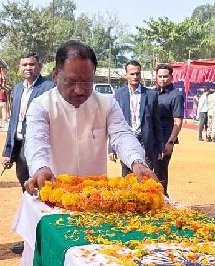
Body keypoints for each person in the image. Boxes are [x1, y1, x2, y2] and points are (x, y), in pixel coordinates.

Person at [23, 41, 156, 196]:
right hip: (54, 192)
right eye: (71, 82)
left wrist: (137, 162)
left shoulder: (107, 103)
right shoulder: (41, 106)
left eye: (87, 82)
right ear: (55, 75)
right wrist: (40, 168)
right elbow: (36, 141)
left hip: (97, 197)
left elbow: (122, 135)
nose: (79, 90)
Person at [2, 52, 55, 194]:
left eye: (32, 64)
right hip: (19, 147)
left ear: (40, 66)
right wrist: (8, 151)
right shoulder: (18, 88)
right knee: (24, 182)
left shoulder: (49, 87)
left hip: (38, 145)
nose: (28, 67)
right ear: (19, 67)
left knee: (41, 185)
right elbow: (14, 121)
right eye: (24, 65)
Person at [109, 60, 163, 176]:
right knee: (127, 177)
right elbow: (113, 123)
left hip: (146, 143)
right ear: (126, 75)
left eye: (138, 73)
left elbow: (156, 123)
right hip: (125, 140)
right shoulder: (118, 94)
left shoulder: (151, 95)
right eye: (132, 74)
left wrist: (160, 147)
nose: (135, 76)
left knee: (145, 176)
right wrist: (111, 148)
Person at [154, 64, 184, 196]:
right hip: (150, 139)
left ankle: (163, 201)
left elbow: (178, 121)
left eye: (165, 76)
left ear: (171, 77)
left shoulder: (175, 95)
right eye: (160, 76)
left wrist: (170, 142)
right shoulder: (151, 93)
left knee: (160, 174)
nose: (162, 79)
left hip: (165, 141)